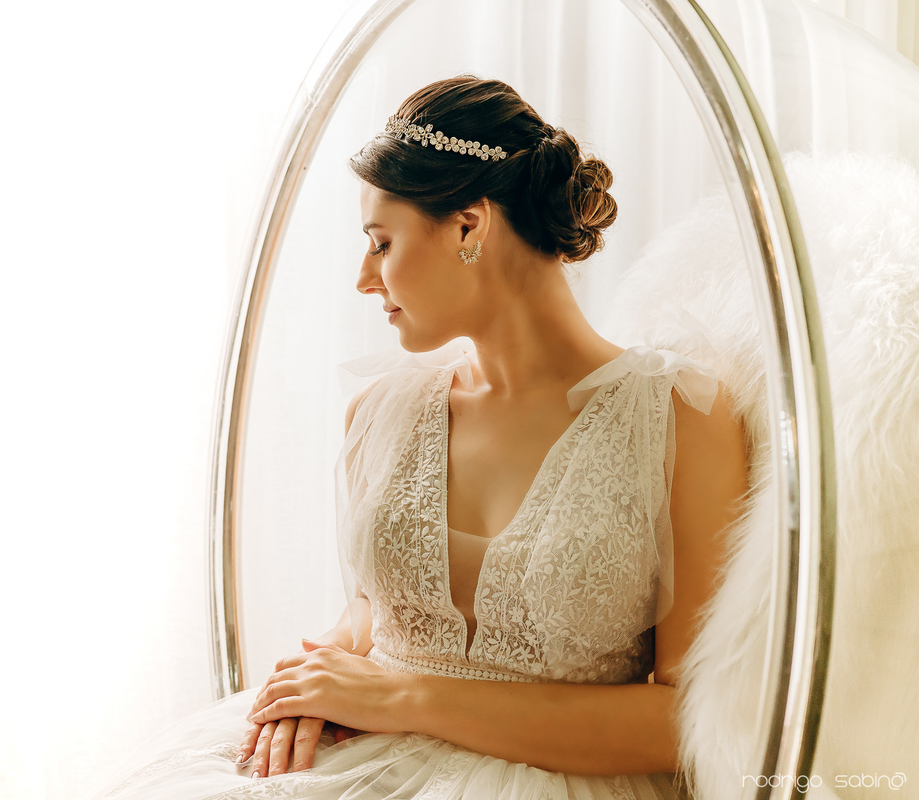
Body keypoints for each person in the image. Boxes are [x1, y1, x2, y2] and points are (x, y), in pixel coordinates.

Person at [94, 76, 748, 800]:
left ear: (469, 227)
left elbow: (689, 718)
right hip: (363, 765)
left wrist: (406, 696)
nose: (363, 279)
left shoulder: (680, 418)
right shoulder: (381, 411)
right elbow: (380, 612)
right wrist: (319, 675)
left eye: (381, 243)